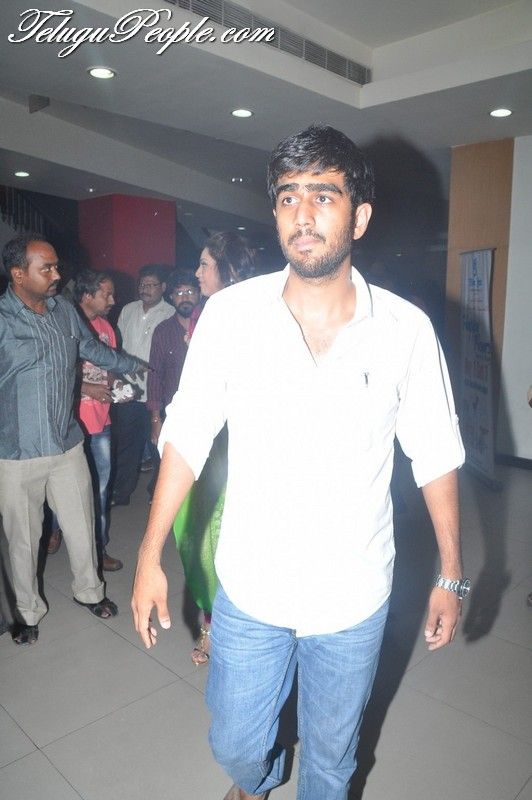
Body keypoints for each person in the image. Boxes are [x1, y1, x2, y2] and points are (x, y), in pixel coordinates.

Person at [132, 125, 468, 800]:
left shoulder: (404, 329)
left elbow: (435, 452)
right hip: (252, 586)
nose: (303, 214)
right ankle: (254, 779)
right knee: (236, 744)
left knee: (332, 761)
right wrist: (149, 553)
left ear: (359, 217)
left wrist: (451, 573)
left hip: (353, 593)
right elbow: (188, 432)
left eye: (323, 195)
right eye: (288, 197)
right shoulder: (231, 316)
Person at [0, 233, 144, 646]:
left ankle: (89, 592)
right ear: (18, 274)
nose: (56, 275)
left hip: (66, 444)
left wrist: (132, 363)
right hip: (16, 453)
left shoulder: (64, 309)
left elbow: (91, 348)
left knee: (82, 524)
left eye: (56, 266)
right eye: (46, 268)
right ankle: (27, 612)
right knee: (24, 541)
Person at [172, 233, 257, 664]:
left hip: (239, 441)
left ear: (226, 268)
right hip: (207, 439)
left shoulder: (257, 311)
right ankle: (213, 622)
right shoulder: (207, 313)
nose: (197, 272)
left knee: (222, 532)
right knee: (198, 531)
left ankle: (227, 627)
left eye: (204, 264)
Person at [74, 268, 125, 571]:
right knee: (65, 489)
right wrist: (87, 388)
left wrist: (118, 387)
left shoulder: (107, 327)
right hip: (71, 425)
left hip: (101, 423)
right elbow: (56, 373)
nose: (112, 300)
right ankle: (55, 529)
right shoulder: (66, 324)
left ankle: (98, 548)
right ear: (87, 294)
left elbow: (111, 370)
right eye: (107, 294)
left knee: (101, 490)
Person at [110, 264, 174, 506]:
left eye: (151, 285)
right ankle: (121, 492)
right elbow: (118, 345)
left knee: (158, 447)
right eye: (142, 284)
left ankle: (157, 492)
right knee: (126, 445)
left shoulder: (170, 313)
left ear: (163, 287)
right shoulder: (128, 309)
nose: (145, 289)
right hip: (128, 391)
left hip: (156, 392)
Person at [147, 268, 200, 477]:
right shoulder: (163, 331)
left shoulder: (210, 326)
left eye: (190, 292)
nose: (185, 298)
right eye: (179, 293)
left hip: (207, 412)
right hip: (174, 414)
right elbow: (155, 376)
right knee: (172, 471)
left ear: (199, 294)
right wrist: (155, 420)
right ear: (171, 297)